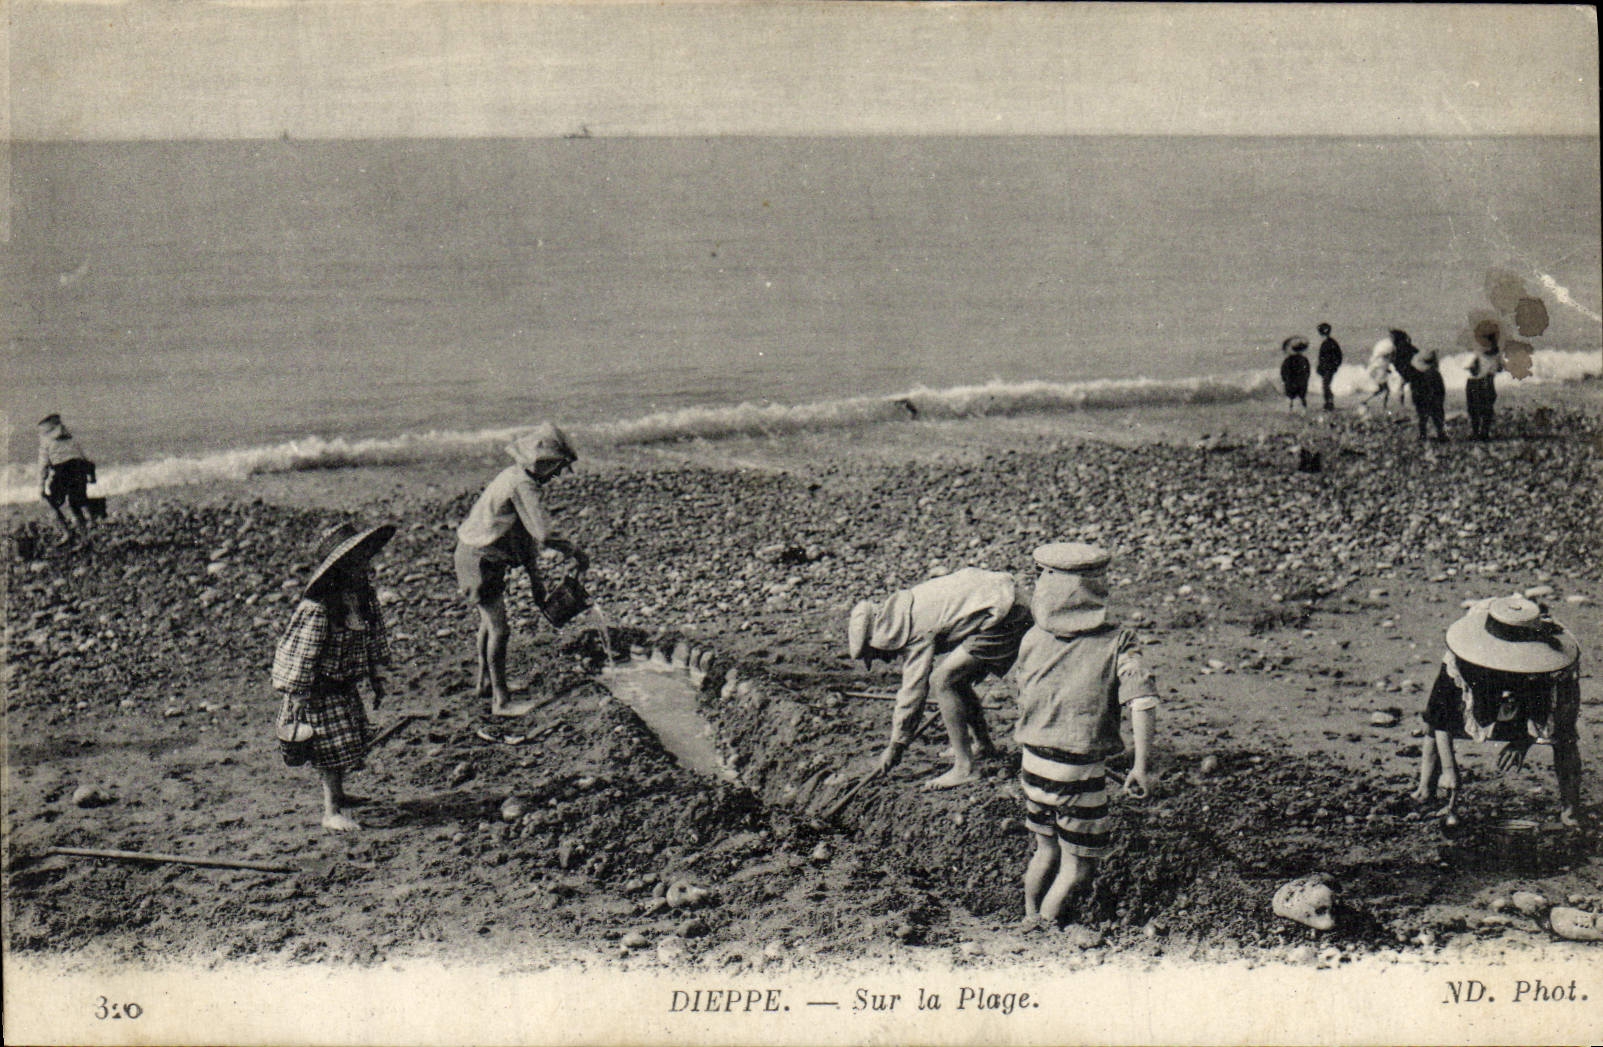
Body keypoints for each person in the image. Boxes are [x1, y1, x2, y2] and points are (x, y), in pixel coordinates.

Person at [1013, 543, 1158, 930]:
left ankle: (1028, 915)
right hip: (1076, 769)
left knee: (1044, 850)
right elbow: (1141, 700)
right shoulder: (1117, 642)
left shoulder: (1033, 637)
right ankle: (1044, 925)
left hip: (1032, 762)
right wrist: (1142, 765)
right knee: (1079, 863)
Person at [848, 567, 1032, 789]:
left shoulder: (913, 630)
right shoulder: (905, 609)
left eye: (876, 654)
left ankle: (965, 768)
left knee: (943, 681)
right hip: (1007, 600)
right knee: (957, 679)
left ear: (880, 640)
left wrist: (896, 745)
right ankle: (983, 746)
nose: (884, 661)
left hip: (1008, 613)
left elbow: (913, 693)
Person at [1412, 596, 1583, 828]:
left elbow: (1553, 714)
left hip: (1533, 687)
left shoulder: (1553, 665)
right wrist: (1450, 771)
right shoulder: (1465, 660)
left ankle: (1570, 810)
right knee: (1433, 725)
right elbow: (1440, 718)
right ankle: (1425, 789)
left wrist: (1522, 741)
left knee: (1564, 737)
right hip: (1483, 683)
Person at [455, 422, 588, 717]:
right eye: (557, 468)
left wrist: (536, 583)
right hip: (480, 560)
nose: (557, 476)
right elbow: (543, 534)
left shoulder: (514, 476)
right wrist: (576, 552)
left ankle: (484, 682)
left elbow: (526, 538)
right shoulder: (523, 485)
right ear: (544, 463)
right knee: (500, 631)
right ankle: (501, 702)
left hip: (472, 554)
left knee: (487, 625)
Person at [272, 521, 395, 832]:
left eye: (365, 560)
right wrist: (297, 692)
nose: (365, 567)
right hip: (316, 691)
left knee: (345, 743)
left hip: (342, 687)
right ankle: (331, 811)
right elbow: (301, 653)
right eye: (357, 563)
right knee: (329, 750)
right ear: (340, 569)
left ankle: (339, 795)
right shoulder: (319, 609)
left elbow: (375, 639)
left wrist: (378, 675)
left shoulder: (363, 601)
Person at [37, 413, 96, 546]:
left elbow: (43, 466)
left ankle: (67, 532)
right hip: (79, 470)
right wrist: (91, 476)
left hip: (62, 472)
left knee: (51, 502)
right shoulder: (71, 439)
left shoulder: (46, 442)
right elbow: (86, 458)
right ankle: (85, 536)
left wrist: (41, 487)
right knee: (75, 504)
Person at [1466, 320, 1504, 440]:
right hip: (1489, 382)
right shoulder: (1497, 354)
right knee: (1487, 410)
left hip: (1475, 382)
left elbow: (1472, 369)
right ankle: (1484, 433)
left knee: (1474, 410)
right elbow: (1500, 369)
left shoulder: (1477, 353)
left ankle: (1476, 433)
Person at [1407, 345, 1447, 441]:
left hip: (1421, 398)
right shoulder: (1435, 374)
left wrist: (1414, 399)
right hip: (1435, 398)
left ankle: (1423, 434)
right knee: (1437, 417)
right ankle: (1440, 434)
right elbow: (1441, 389)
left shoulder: (1417, 374)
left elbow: (1414, 388)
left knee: (1422, 417)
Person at [1361, 335, 1396, 412]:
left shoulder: (1381, 357)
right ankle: (1382, 406)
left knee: (1383, 390)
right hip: (1381, 374)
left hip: (1380, 373)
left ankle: (1380, 405)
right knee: (1383, 390)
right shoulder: (1383, 358)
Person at [1315, 322, 1342, 411]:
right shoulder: (1332, 342)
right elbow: (1339, 356)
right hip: (1328, 368)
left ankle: (1329, 403)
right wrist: (1335, 366)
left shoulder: (1327, 343)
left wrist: (1332, 366)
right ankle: (1329, 403)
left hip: (1327, 368)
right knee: (1326, 385)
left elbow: (1323, 358)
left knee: (1325, 386)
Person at [1279, 337, 1310, 411]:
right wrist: (1305, 379)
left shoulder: (1288, 360)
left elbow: (1283, 372)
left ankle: (1291, 410)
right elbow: (1307, 371)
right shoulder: (1304, 359)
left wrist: (1285, 380)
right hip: (1302, 382)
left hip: (1291, 383)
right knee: (1302, 398)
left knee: (1291, 399)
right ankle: (1304, 410)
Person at [1390, 329, 1419, 407]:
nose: (1390, 340)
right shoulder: (1407, 346)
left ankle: (1401, 405)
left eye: (1392, 338)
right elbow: (1417, 353)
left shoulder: (1399, 348)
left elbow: (1395, 360)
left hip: (1405, 371)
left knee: (1401, 388)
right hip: (1411, 370)